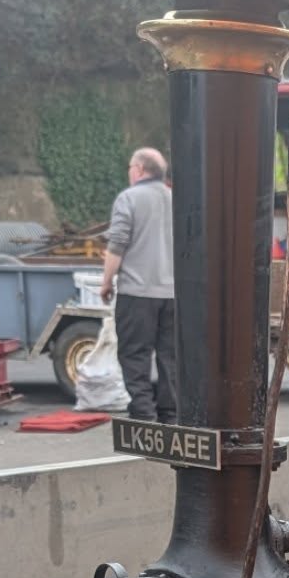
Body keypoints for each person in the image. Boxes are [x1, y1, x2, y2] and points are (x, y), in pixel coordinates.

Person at [100, 148, 176, 423]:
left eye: (130, 167)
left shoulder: (129, 198)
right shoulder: (176, 199)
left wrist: (107, 282)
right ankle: (171, 415)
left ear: (140, 169)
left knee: (134, 355)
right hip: (174, 295)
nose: (129, 172)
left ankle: (143, 414)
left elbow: (117, 244)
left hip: (137, 293)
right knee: (171, 358)